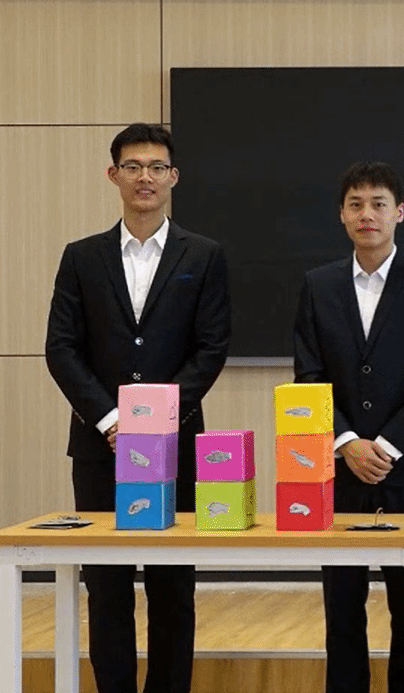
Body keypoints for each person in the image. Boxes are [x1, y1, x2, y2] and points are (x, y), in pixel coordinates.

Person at [45, 122, 232, 693]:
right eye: (132, 167)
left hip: (176, 447)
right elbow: (62, 348)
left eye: (155, 167)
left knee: (173, 588)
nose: (144, 177)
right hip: (99, 448)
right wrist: (112, 421)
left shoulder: (204, 255)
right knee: (106, 587)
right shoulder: (81, 257)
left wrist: (154, 424)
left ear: (173, 177)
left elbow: (211, 348)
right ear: (113, 175)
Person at [293, 161, 404, 693]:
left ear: (399, 213)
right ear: (342, 215)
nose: (368, 214)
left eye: (379, 204)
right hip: (339, 468)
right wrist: (347, 443)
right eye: (356, 204)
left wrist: (385, 445)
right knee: (342, 605)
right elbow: (309, 377)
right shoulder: (318, 285)